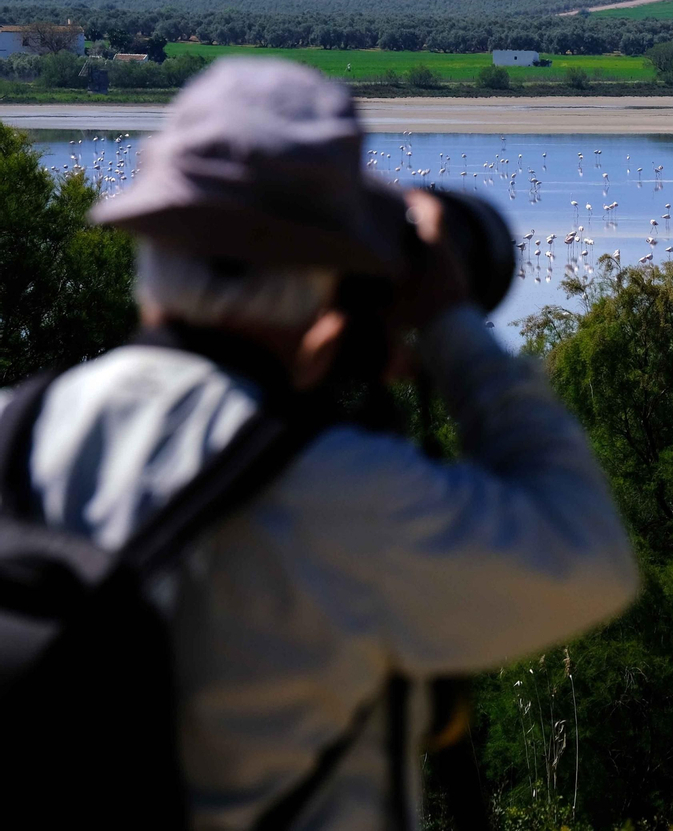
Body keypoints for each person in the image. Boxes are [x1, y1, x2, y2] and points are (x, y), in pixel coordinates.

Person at [0, 59, 638, 829]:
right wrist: (449, 327)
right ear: (334, 275)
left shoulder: (12, 429)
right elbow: (587, 558)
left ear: (150, 245)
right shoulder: (340, 497)